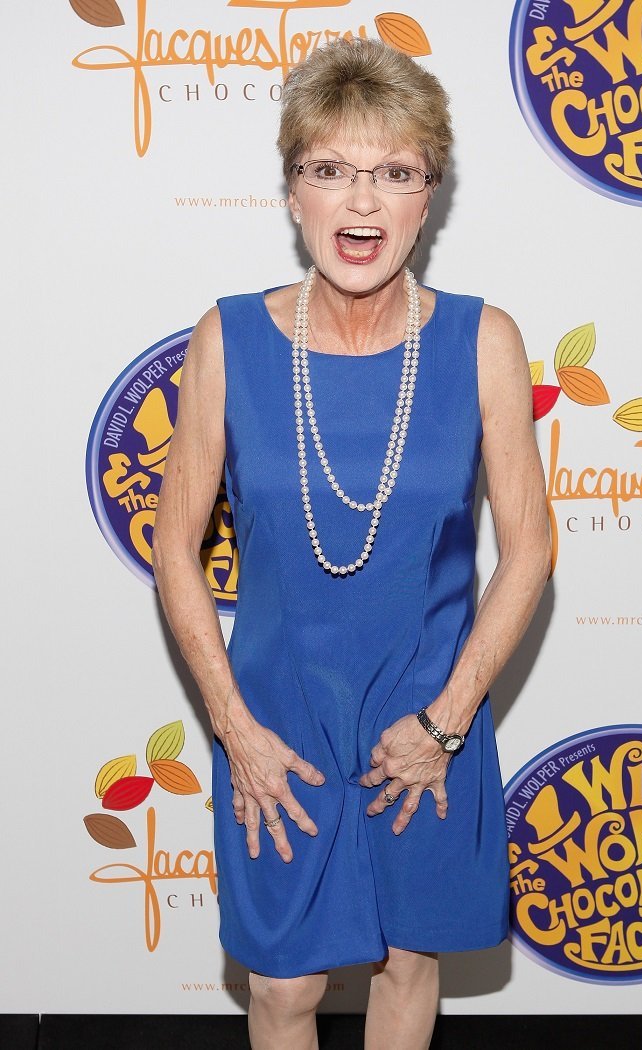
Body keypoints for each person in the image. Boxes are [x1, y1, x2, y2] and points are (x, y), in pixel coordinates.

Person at [152, 36, 551, 1050]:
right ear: (293, 194)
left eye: (395, 174)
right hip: (276, 722)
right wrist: (235, 732)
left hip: (431, 713)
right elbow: (173, 550)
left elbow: (531, 551)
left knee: (404, 964)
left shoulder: (482, 340)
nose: (361, 203)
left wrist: (447, 723)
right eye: (330, 170)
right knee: (283, 989)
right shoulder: (228, 337)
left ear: (429, 198)